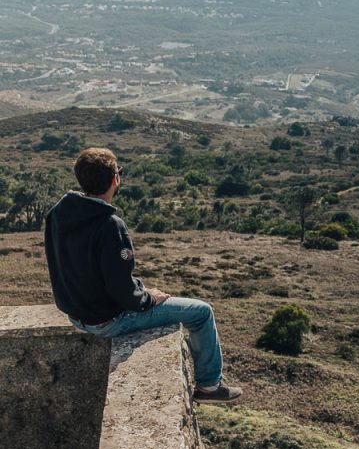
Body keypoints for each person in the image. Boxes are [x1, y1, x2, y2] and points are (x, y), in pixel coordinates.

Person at [44, 147, 242, 404]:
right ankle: (209, 386)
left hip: (77, 313)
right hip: (108, 320)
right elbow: (122, 291)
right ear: (115, 179)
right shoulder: (109, 226)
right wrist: (149, 298)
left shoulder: (59, 213)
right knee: (202, 312)